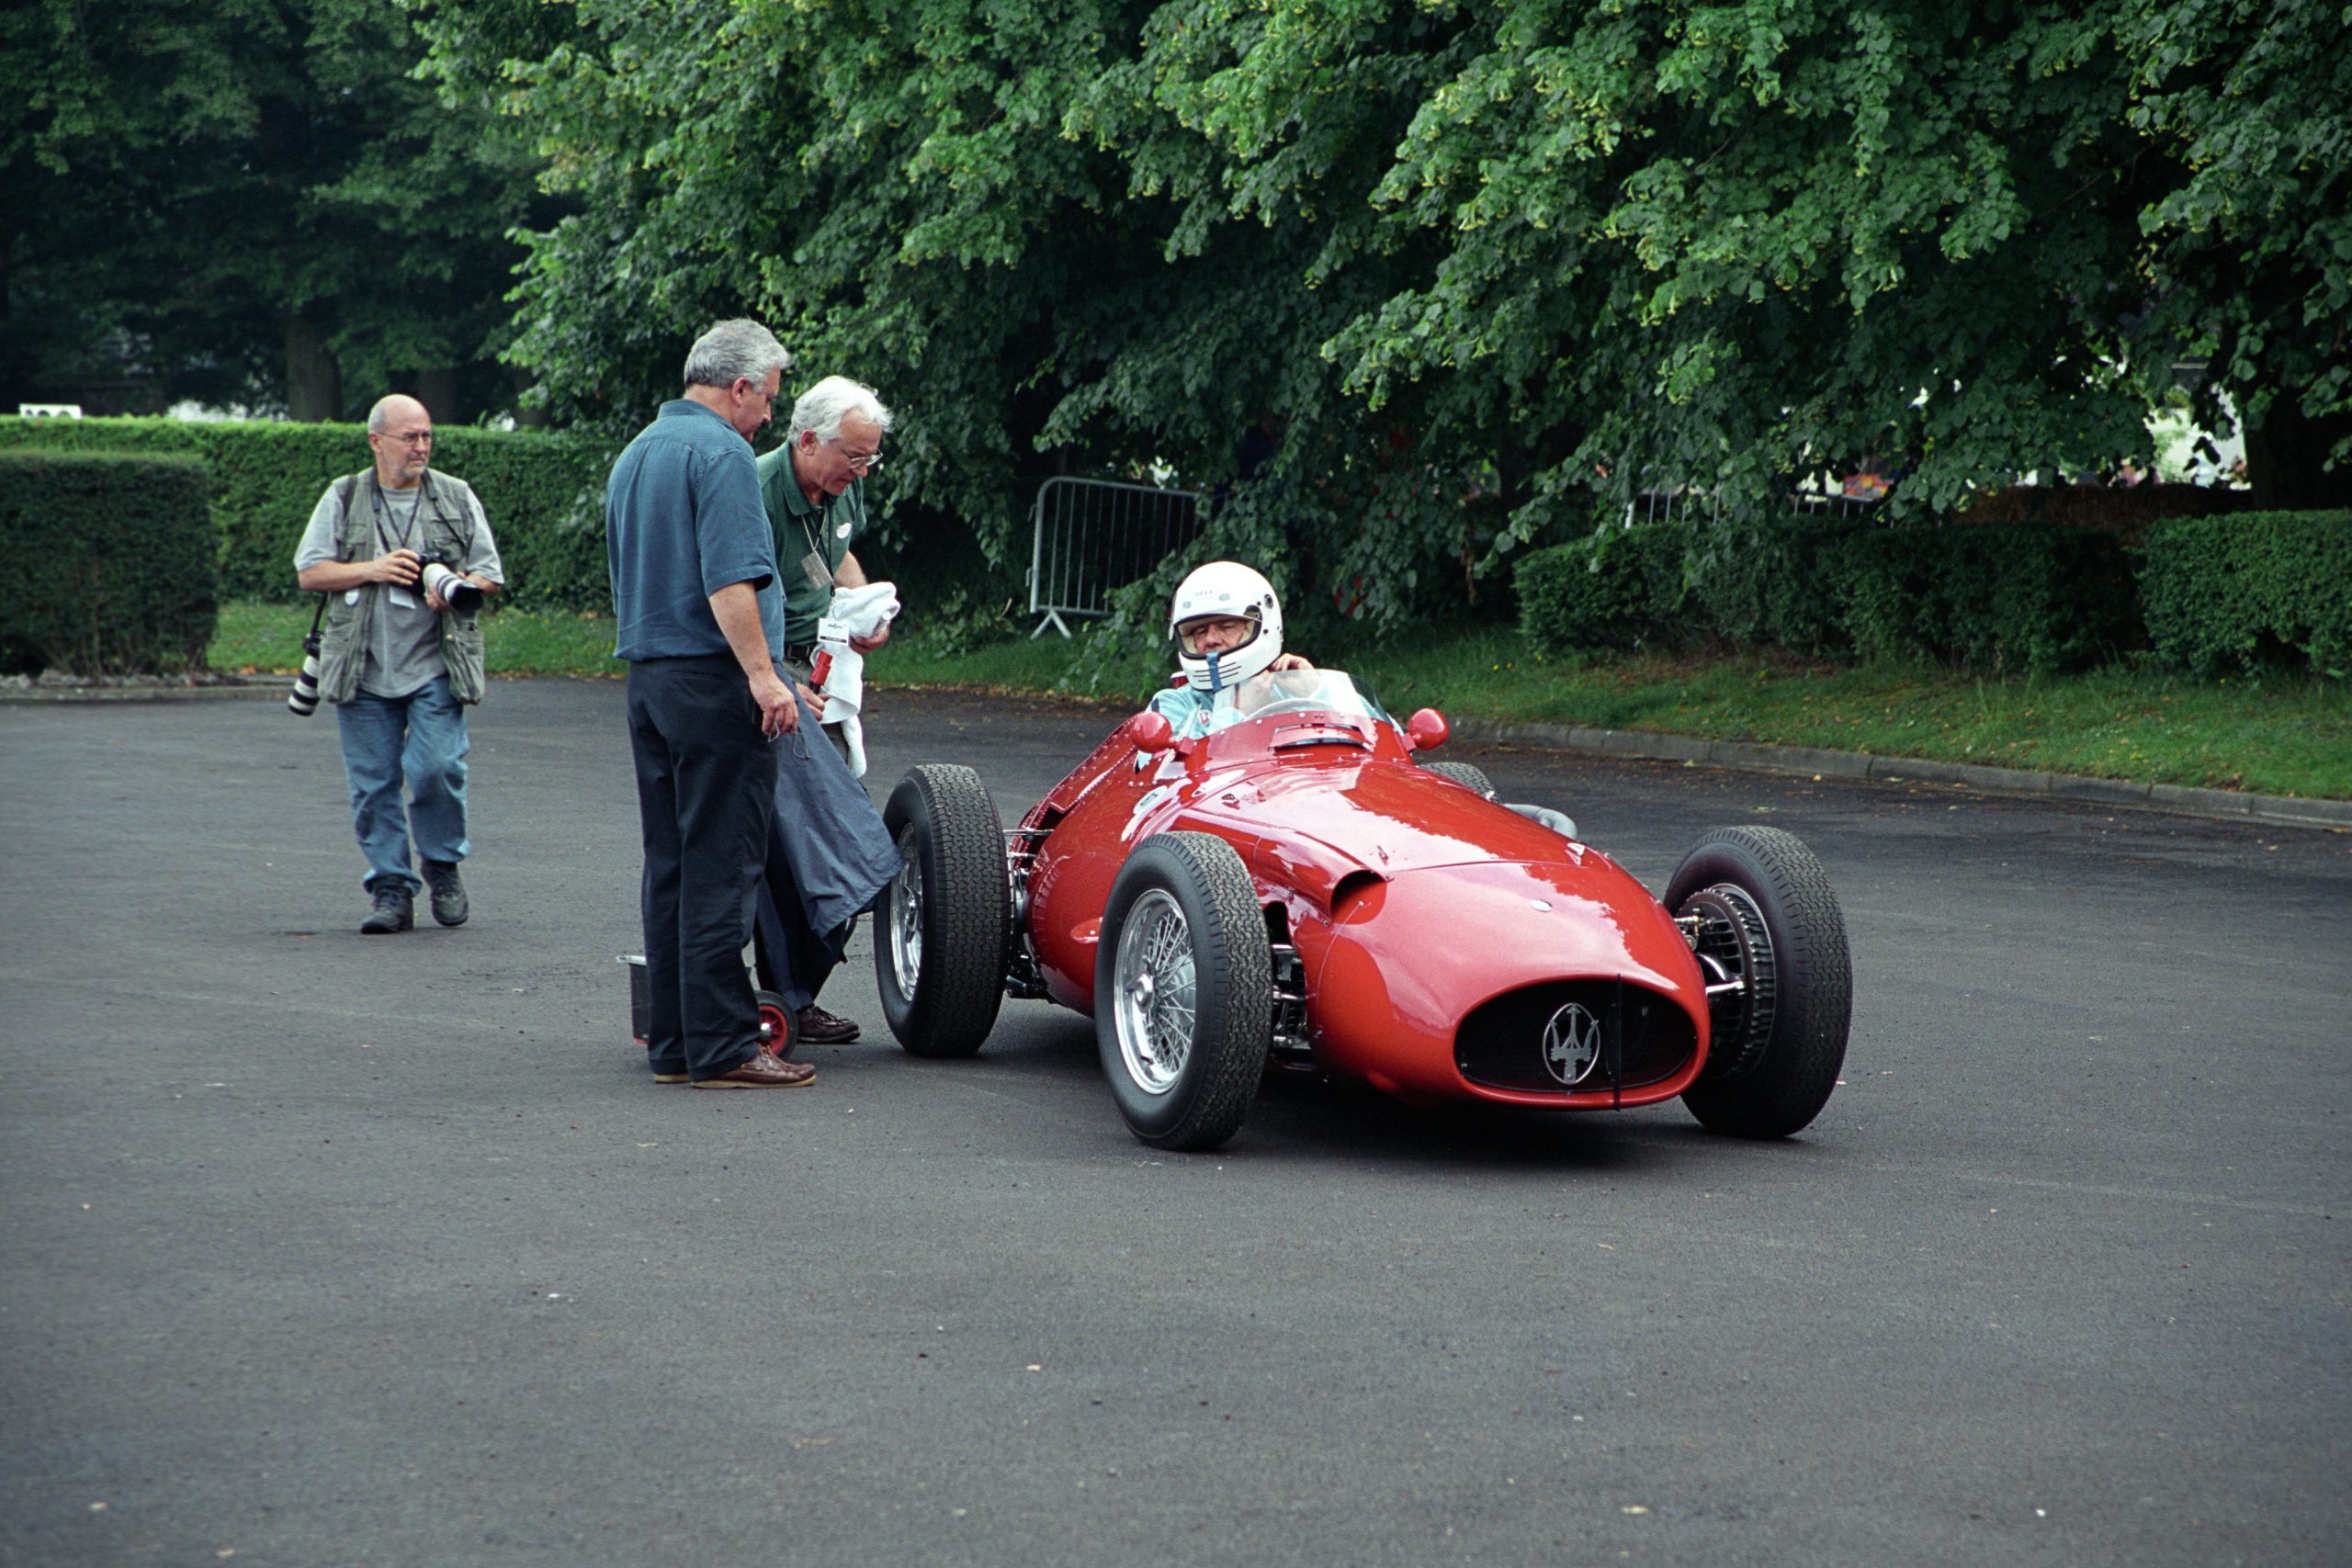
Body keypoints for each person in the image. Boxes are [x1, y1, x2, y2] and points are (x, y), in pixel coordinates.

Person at [606, 320, 816, 1090]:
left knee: (671, 863)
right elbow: (731, 582)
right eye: (767, 400)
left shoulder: (636, 454)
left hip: (650, 681)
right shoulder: (722, 453)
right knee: (724, 866)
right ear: (740, 388)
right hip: (712, 678)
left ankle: (675, 1042)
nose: (768, 418)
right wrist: (764, 677)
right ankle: (726, 1045)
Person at [294, 394, 503, 934]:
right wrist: (375, 569)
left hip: (437, 664)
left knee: (436, 769)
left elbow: (489, 574)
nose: (421, 447)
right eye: (409, 437)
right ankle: (390, 888)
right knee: (373, 784)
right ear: (376, 441)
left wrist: (456, 590)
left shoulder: (455, 496)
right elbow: (311, 572)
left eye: (427, 435)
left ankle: (441, 863)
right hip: (361, 666)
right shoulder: (343, 496)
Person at [752, 375, 896, 1044]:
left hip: (826, 677)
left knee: (843, 842)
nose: (862, 470)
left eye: (871, 458)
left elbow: (837, 555)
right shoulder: (753, 491)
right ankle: (777, 996)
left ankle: (795, 994)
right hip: (766, 682)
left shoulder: (844, 486)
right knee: (805, 846)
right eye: (854, 456)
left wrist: (866, 608)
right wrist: (775, 677)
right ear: (807, 440)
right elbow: (726, 598)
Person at [1146, 560, 1314, 739]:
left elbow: (1340, 751)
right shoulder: (1172, 704)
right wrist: (1240, 712)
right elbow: (1170, 764)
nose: (1210, 639)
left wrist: (1314, 691)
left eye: (1226, 626)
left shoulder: (1290, 695)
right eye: (1199, 631)